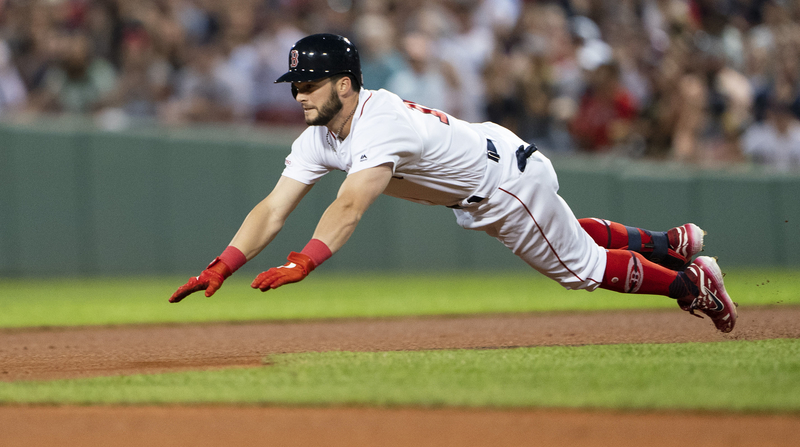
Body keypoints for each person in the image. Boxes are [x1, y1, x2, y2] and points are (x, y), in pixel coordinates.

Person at [168, 34, 737, 333]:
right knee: (561, 238)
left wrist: (306, 260)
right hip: (496, 164)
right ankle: (667, 244)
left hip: (500, 183)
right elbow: (273, 208)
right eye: (295, 82)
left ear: (345, 83)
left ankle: (690, 284)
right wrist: (223, 264)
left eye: (310, 82)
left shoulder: (378, 121)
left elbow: (350, 204)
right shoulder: (320, 134)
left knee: (579, 269)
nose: (299, 93)